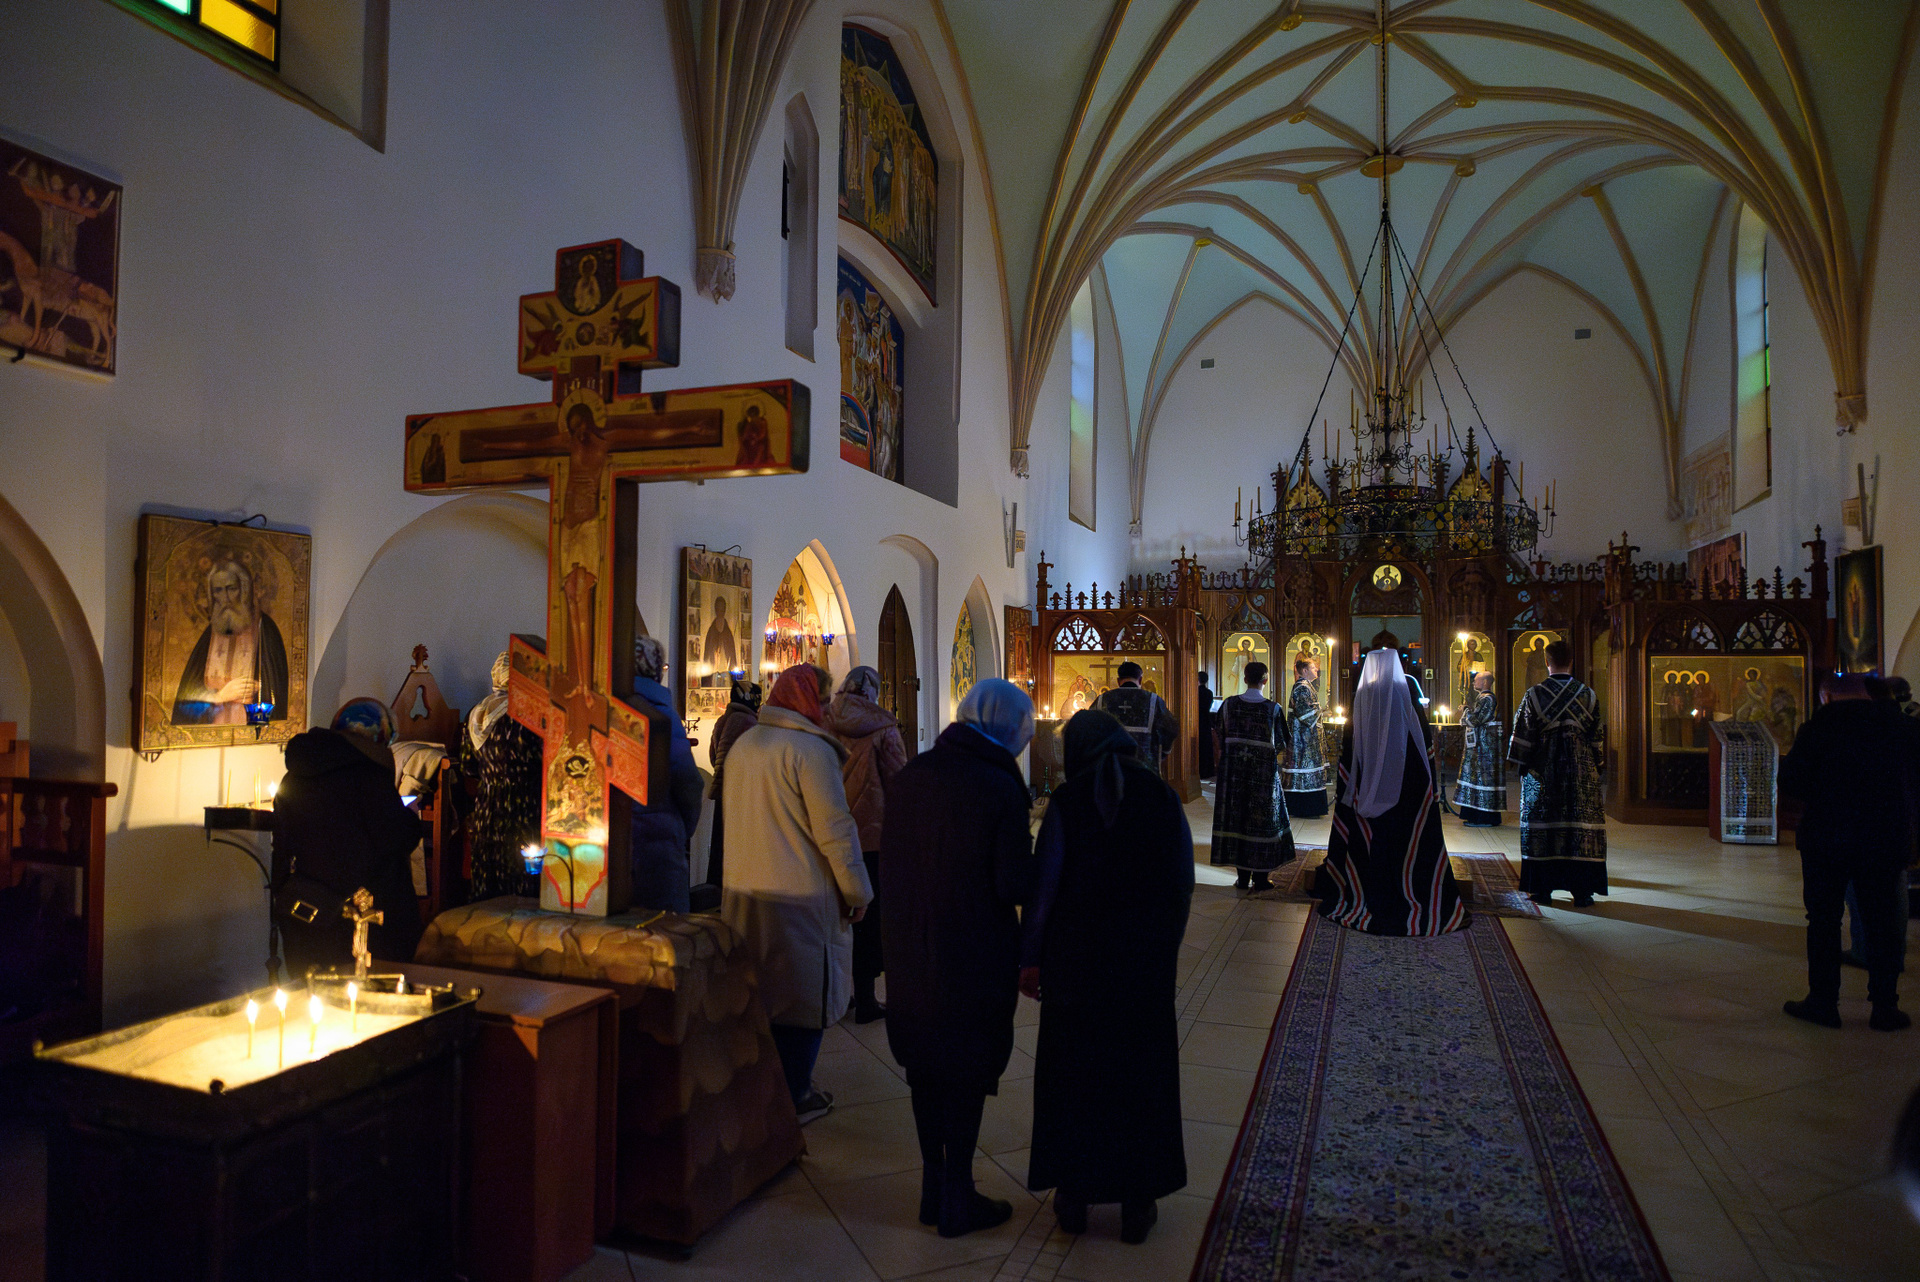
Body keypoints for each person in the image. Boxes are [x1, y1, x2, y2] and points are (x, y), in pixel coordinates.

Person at [1024, 710, 1192, 1245]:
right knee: (1140, 1073)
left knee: (1074, 1072)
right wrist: (1165, 946)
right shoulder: (1161, 796)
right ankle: (1137, 1203)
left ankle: (1074, 1196)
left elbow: (1044, 888)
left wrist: (1030, 957)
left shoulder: (1068, 801)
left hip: (1075, 963)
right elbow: (1182, 882)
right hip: (1143, 963)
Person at [882, 680, 1037, 1238]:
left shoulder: (914, 774)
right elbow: (1013, 882)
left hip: (910, 946)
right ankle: (957, 1197)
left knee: (924, 1067)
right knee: (967, 1071)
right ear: (1008, 727)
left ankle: (933, 1189)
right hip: (973, 951)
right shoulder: (998, 785)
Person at [722, 665, 872, 1121]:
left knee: (762, 995)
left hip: (747, 890)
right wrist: (857, 891)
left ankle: (763, 1090)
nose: (827, 711)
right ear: (805, 701)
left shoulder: (746, 744)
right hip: (800, 895)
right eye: (823, 702)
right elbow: (836, 831)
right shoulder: (810, 751)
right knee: (804, 998)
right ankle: (795, 1094)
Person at [1779, 673, 1920, 1031]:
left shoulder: (1818, 728)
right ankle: (1885, 1008)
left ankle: (1823, 1003)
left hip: (1826, 839)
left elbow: (1791, 782)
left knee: (1823, 920)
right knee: (1883, 922)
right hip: (1884, 838)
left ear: (1827, 697)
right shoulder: (1902, 728)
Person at [1315, 649, 1468, 936]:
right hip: (1407, 784)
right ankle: (1413, 893)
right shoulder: (1405, 691)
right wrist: (1428, 784)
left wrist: (1350, 782)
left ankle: (1362, 893)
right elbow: (1422, 741)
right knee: (1407, 839)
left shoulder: (1363, 693)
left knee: (1368, 837)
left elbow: (1351, 743)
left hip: (1366, 782)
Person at [273, 698, 424, 978]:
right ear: (379, 737)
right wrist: (410, 817)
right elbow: (396, 837)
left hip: (306, 916)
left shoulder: (294, 777)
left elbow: (281, 848)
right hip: (361, 915)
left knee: (312, 994)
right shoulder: (368, 776)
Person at [827, 666, 909, 1024]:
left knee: (836, 914)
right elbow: (899, 781)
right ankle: (866, 998)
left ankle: (838, 994)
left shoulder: (824, 720)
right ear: (873, 691)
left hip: (831, 830)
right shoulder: (883, 727)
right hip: (873, 837)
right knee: (870, 917)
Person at [1508, 639, 1608, 906]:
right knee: (1579, 828)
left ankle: (1542, 891)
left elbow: (1523, 735)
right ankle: (1583, 892)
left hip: (1542, 773)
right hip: (1580, 774)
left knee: (1542, 826)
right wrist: (1596, 766)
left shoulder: (1534, 694)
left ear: (1546, 661)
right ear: (1571, 661)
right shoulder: (1588, 695)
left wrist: (1521, 765)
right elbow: (1597, 738)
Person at [628, 636, 705, 914]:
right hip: (657, 842)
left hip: (606, 843)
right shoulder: (662, 716)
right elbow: (688, 782)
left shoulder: (600, 707)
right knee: (664, 928)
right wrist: (683, 828)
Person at [462, 651, 543, 900]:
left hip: (487, 806)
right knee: (522, 876)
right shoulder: (531, 714)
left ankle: (484, 922)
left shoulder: (476, 713)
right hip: (524, 805)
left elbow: (468, 766)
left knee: (489, 873)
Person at [172, 558, 290, 725]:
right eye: (218, 590)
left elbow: (275, 694)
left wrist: (255, 722)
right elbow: (185, 705)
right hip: (211, 731)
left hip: (250, 730)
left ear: (244, 590)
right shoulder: (209, 635)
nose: (225, 597)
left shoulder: (265, 630)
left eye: (231, 589)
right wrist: (219, 697)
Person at [1211, 662, 1294, 891]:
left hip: (1233, 777)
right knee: (1261, 822)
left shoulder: (1228, 705)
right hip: (1263, 778)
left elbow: (1217, 734)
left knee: (1237, 821)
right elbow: (1283, 742)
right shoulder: (1273, 709)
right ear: (1265, 681)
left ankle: (1242, 878)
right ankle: (1260, 879)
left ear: (1245, 679)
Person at [703, 676, 761, 890]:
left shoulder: (723, 720)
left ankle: (717, 890)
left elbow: (713, 756)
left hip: (721, 789)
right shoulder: (748, 722)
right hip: (740, 793)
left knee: (720, 845)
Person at [1093, 661, 1177, 775]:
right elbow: (1170, 728)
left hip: (1111, 769)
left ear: (1118, 681)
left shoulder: (1102, 700)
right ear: (1140, 680)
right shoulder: (1153, 700)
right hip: (1144, 768)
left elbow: (1088, 728)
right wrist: (1163, 752)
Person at [1454, 670, 1507, 826]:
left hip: (1484, 749)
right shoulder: (1483, 698)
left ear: (1485, 682)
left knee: (1483, 780)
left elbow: (1476, 720)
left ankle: (1484, 818)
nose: (1473, 682)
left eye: (1476, 679)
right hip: (1480, 748)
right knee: (1476, 779)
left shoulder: (1488, 699)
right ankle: (1475, 816)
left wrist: (1465, 710)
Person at [1284, 657, 1330, 817]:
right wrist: (1322, 711)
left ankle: (1310, 808)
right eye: (1313, 668)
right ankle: (1304, 808)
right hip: (1303, 741)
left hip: (1308, 739)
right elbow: (1305, 714)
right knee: (1303, 769)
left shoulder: (1307, 686)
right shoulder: (1302, 688)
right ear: (1304, 671)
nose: (1317, 670)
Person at [1196, 672, 1217, 780]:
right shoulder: (1209, 692)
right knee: (1207, 746)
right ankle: (1208, 770)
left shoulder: (1195, 692)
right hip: (1206, 720)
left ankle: (1199, 770)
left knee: (1199, 746)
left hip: (1197, 721)